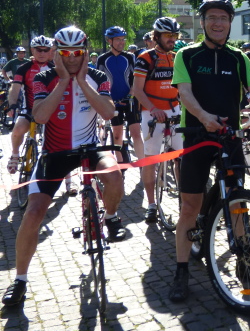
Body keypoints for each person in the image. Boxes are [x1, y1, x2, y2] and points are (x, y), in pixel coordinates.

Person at [1, 26, 125, 307]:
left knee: (115, 177)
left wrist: (81, 81)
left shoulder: (97, 76)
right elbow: (41, 116)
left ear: (86, 51)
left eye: (77, 53)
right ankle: (19, 280)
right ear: (58, 53)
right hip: (54, 153)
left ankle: (110, 217)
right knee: (32, 213)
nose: (71, 59)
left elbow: (108, 112)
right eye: (65, 53)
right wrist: (62, 81)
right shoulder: (44, 77)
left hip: (90, 149)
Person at [168, 0, 250, 302]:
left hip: (230, 136)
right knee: (189, 206)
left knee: (237, 203)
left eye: (223, 18)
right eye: (212, 17)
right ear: (203, 22)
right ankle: (181, 270)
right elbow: (183, 93)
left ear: (229, 24)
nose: (218, 23)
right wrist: (203, 117)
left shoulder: (238, 57)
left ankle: (245, 264)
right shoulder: (186, 54)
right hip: (197, 136)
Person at [132, 17, 183, 224]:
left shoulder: (177, 57)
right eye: (168, 36)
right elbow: (137, 90)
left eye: (174, 36)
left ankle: (183, 196)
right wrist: (153, 109)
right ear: (157, 36)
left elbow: (182, 87)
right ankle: (152, 204)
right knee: (151, 159)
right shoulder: (145, 58)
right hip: (151, 112)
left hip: (174, 109)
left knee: (181, 156)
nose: (172, 39)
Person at [6, 37, 55, 176]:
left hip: (50, 110)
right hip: (29, 108)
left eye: (46, 50)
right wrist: (12, 105)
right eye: (38, 50)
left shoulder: (54, 69)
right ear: (32, 50)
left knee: (57, 144)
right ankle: (15, 155)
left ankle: (69, 181)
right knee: (17, 129)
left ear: (50, 51)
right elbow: (15, 89)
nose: (42, 53)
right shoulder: (24, 68)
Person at [97, 26, 145, 165]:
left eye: (123, 39)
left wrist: (131, 94)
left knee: (136, 133)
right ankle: (120, 165)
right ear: (109, 41)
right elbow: (100, 81)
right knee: (117, 135)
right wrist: (107, 99)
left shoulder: (130, 57)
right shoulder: (102, 59)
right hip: (113, 102)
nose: (121, 42)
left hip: (130, 100)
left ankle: (143, 166)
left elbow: (136, 79)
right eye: (118, 39)